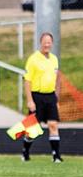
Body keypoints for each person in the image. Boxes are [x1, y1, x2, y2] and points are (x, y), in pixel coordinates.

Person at [22, 32, 63, 163]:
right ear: (40, 43)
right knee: (33, 130)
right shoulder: (33, 59)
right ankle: (25, 151)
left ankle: (56, 155)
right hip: (37, 96)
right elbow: (27, 81)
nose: (47, 44)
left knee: (53, 124)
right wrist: (30, 100)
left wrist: (56, 99)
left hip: (50, 96)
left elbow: (57, 80)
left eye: (49, 42)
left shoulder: (54, 59)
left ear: (52, 43)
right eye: (45, 42)